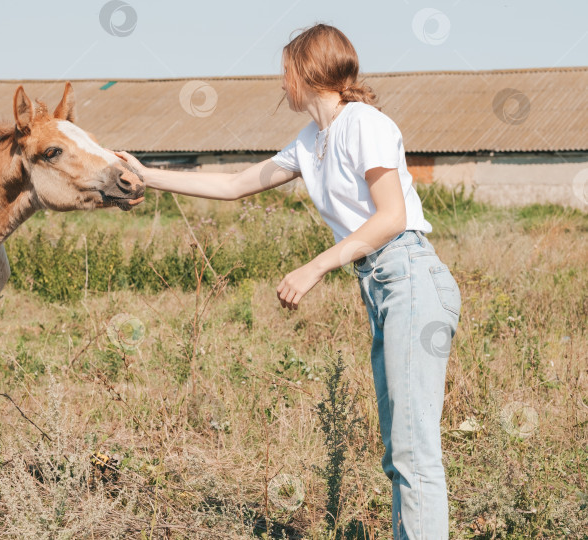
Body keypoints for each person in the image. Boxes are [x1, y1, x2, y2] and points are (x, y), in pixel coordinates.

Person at [117, 23, 461, 540]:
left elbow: (391, 216)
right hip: (382, 285)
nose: (281, 84)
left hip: (410, 274)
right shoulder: (311, 141)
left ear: (307, 72)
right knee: (399, 452)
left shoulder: (365, 123)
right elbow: (234, 184)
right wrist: (148, 174)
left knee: (415, 451)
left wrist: (315, 265)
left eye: (285, 71)